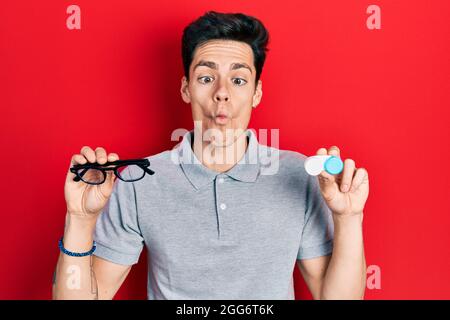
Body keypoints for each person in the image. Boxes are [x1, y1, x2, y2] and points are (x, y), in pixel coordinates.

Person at [53, 11, 369, 300]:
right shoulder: (140, 181)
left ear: (256, 92)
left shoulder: (299, 176)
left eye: (239, 79)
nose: (221, 91)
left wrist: (348, 218)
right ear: (186, 88)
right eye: (206, 78)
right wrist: (80, 220)